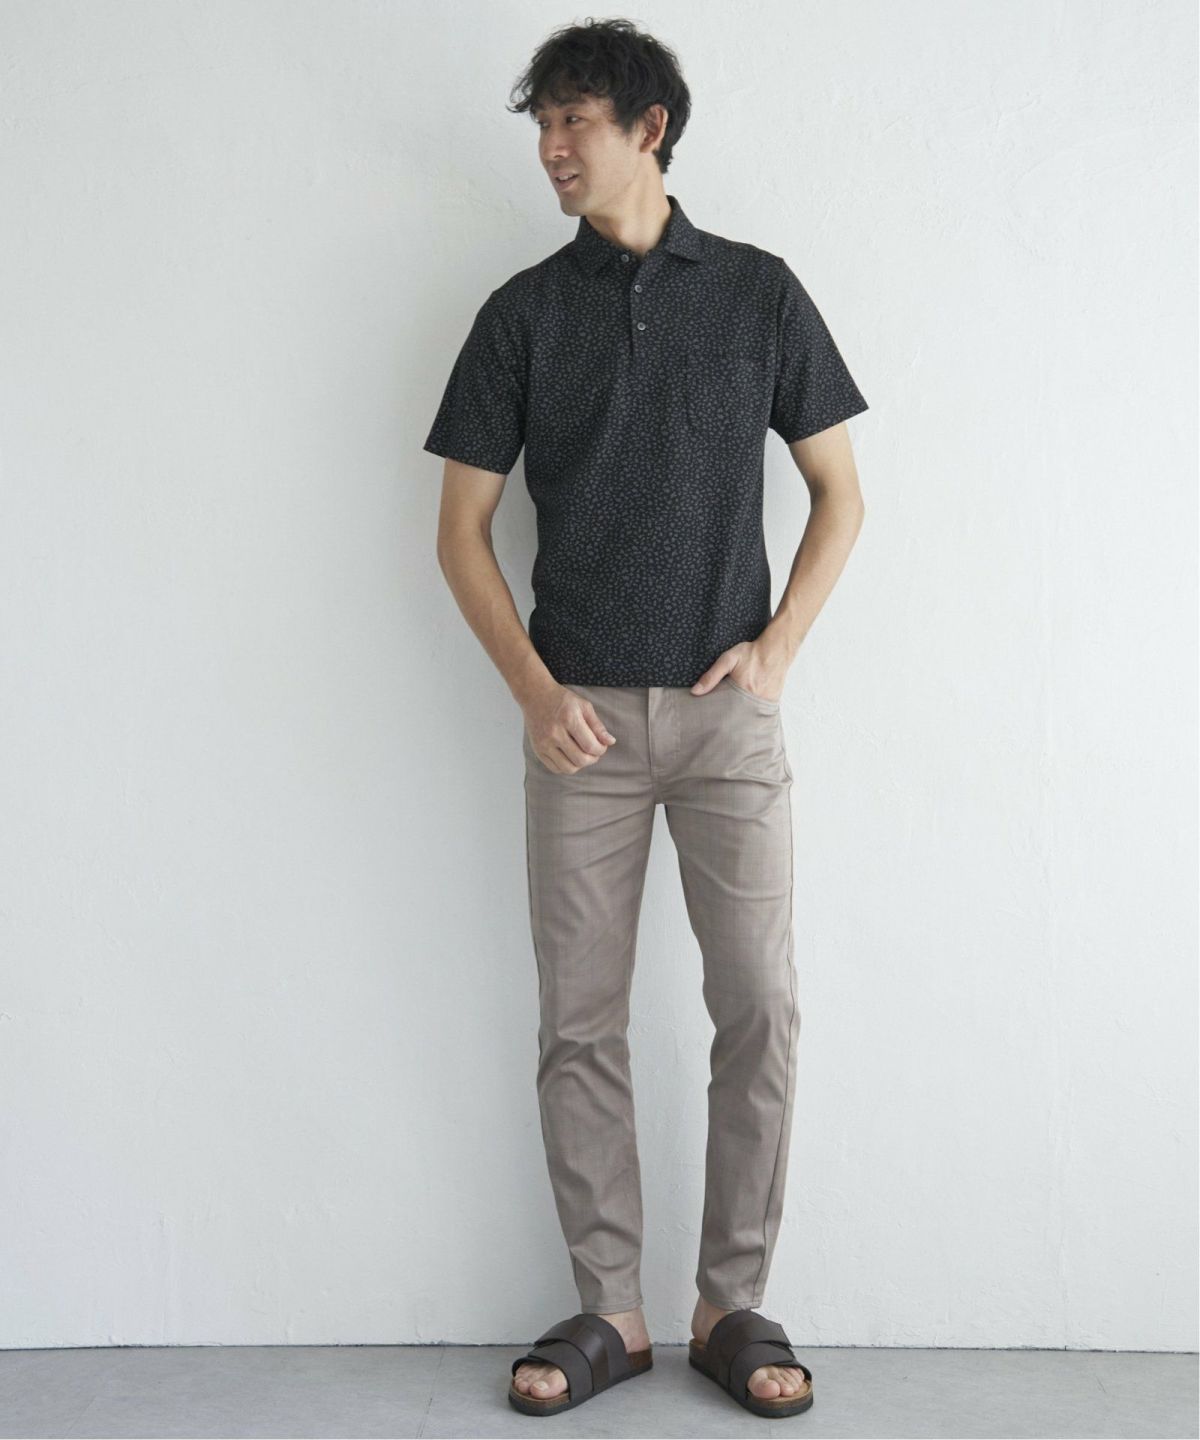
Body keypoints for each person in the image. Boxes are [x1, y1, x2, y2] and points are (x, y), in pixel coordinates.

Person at [423, 16, 868, 1420]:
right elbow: (460, 532)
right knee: (580, 1023)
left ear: (648, 129)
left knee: (761, 1009)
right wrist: (534, 691)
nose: (552, 150)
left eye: (575, 121)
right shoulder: (520, 315)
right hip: (581, 731)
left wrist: (779, 649)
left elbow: (841, 494)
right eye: (543, 125)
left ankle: (730, 1304)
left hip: (729, 720)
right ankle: (611, 1308)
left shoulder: (759, 293)